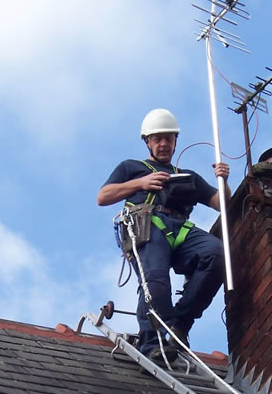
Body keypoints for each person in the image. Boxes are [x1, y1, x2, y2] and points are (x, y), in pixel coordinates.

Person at [97, 108, 230, 362]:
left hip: (179, 231)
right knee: (155, 280)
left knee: (217, 254)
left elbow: (221, 203)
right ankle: (152, 343)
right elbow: (103, 196)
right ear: (147, 141)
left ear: (175, 141)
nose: (163, 143)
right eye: (157, 138)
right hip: (147, 227)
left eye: (168, 138)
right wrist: (140, 184)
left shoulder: (187, 176)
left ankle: (179, 323)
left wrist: (223, 181)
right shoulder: (132, 167)